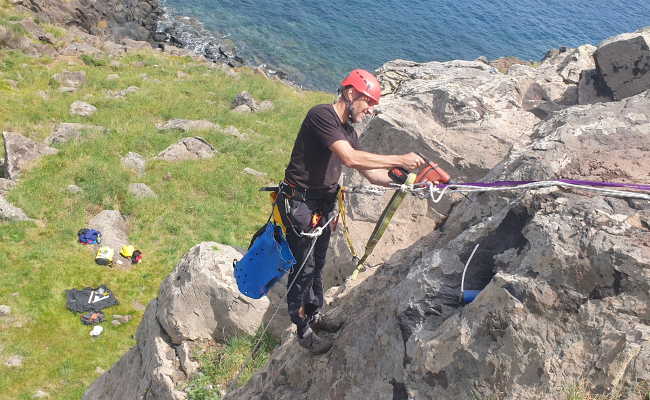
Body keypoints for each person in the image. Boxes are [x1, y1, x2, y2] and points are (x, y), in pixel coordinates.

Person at [277, 69, 425, 354]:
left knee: (318, 264)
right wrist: (400, 158)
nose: (370, 110)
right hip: (301, 204)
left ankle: (316, 313)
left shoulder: (347, 131)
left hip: (322, 203)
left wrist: (405, 180)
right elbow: (350, 157)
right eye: (368, 102)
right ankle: (302, 327)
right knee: (303, 267)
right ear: (350, 93)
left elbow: (370, 173)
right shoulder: (321, 116)